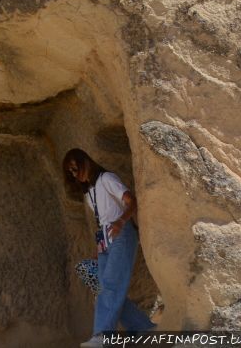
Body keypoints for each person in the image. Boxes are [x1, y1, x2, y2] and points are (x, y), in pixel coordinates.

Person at [63, 148, 155, 347]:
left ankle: (103, 337)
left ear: (85, 161)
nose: (74, 173)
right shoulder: (89, 193)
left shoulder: (106, 179)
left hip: (121, 234)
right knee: (101, 285)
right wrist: (99, 250)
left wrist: (121, 222)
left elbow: (131, 201)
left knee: (111, 286)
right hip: (105, 239)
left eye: (75, 167)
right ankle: (144, 328)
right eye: (70, 172)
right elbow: (102, 222)